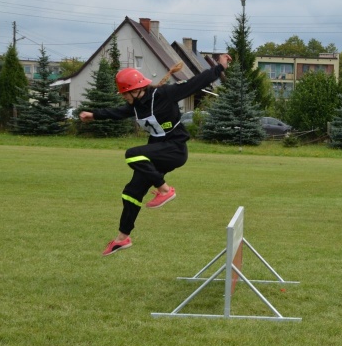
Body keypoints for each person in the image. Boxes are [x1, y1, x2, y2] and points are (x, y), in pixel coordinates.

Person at [79, 54, 232, 256]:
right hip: (157, 153)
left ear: (136, 90)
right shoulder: (136, 106)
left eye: (125, 93)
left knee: (132, 154)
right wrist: (94, 115)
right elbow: (118, 112)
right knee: (131, 192)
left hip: (175, 149)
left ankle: (165, 190)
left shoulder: (165, 94)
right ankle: (122, 239)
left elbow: (196, 83)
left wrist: (219, 67)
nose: (123, 97)